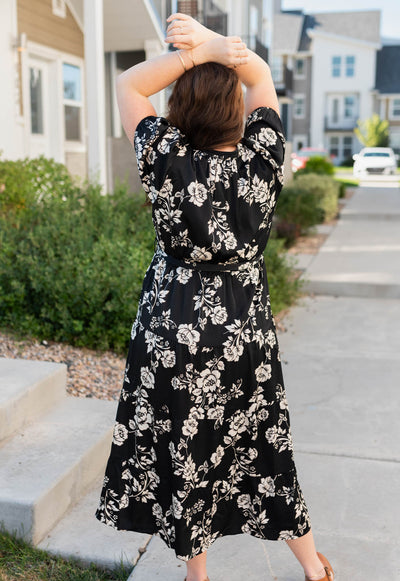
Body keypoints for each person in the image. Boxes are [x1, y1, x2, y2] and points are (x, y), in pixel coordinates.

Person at [95, 12, 334, 581]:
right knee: (264, 445)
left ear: (181, 109)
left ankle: (197, 576)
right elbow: (261, 77)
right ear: (235, 113)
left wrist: (189, 56)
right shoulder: (263, 159)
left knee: (186, 449)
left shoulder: (165, 158)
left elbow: (128, 83)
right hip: (242, 335)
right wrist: (219, 48)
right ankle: (314, 568)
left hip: (173, 329)